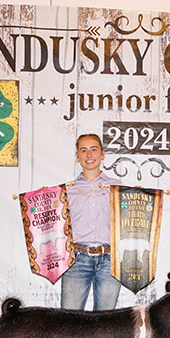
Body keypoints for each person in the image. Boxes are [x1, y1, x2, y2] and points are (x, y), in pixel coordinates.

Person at [61, 133, 122, 311]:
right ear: (77, 156)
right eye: (84, 150)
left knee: (105, 322)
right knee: (69, 320)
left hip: (109, 260)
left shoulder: (118, 187)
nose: (89, 155)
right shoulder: (67, 190)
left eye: (94, 150)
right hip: (77, 259)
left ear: (102, 154)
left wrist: (138, 196)